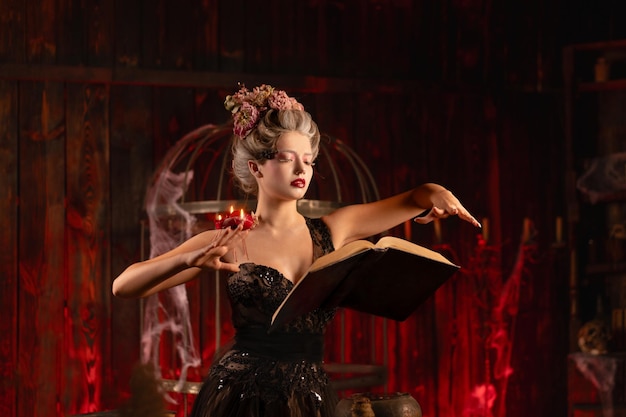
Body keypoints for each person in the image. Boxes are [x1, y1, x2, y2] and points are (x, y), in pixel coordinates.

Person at [112, 84, 481, 417]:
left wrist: (437, 192)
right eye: (288, 158)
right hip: (239, 399)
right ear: (256, 167)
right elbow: (123, 285)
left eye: (309, 160)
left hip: (309, 398)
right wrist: (187, 259)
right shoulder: (229, 239)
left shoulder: (334, 229)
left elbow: (416, 197)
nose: (302, 168)